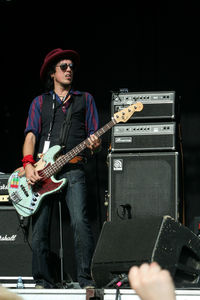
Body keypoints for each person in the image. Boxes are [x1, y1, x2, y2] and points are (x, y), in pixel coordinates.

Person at [22, 48, 101, 289]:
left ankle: (85, 279)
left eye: (71, 67)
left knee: (79, 221)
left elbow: (94, 139)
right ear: (52, 73)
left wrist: (95, 145)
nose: (69, 70)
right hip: (43, 170)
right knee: (40, 228)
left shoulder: (85, 99)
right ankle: (42, 280)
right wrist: (27, 165)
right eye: (63, 66)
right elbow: (31, 135)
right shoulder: (39, 102)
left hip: (74, 168)